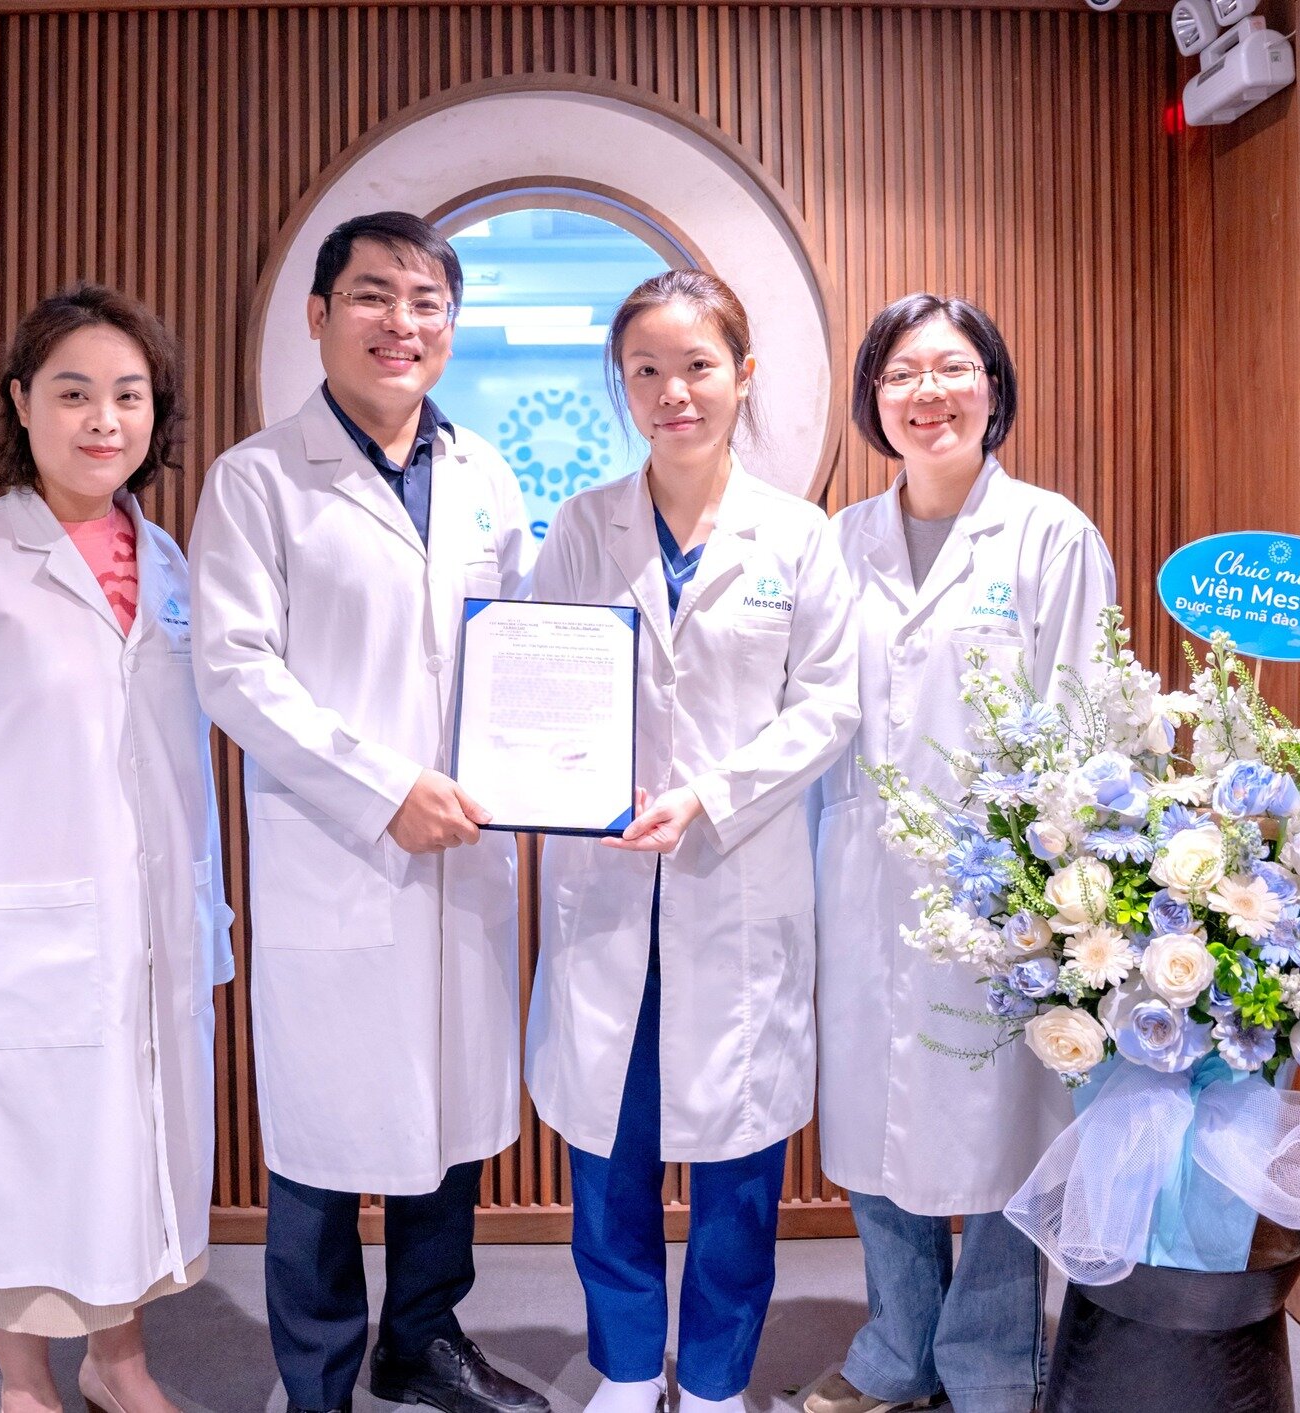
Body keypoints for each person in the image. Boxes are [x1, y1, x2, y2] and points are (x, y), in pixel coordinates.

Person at [188, 212, 547, 1413]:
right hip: (338, 850)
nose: (401, 322)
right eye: (372, 295)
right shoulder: (257, 480)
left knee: (448, 1119)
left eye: (426, 301)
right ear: (318, 314)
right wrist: (383, 787)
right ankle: (318, 1375)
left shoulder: (484, 473)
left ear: (451, 324)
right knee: (324, 1134)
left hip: (463, 852)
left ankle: (422, 1340)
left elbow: (521, 653)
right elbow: (234, 670)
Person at [0, 284, 230, 1413]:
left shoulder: (166, 562)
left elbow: (184, 766)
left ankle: (119, 1365)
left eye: (128, 395)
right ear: (22, 403)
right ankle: (23, 1382)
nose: (102, 420)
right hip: (17, 934)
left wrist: (208, 915)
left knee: (123, 1163)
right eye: (73, 394)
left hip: (149, 927)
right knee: (24, 1165)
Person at [525, 269, 859, 1413]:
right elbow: (538, 679)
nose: (673, 392)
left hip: (736, 872)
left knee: (738, 1162)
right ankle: (626, 1370)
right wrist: (567, 779)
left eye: (696, 366)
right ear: (622, 386)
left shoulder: (797, 536)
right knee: (607, 1146)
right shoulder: (584, 525)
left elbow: (827, 705)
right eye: (646, 371)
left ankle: (713, 1381)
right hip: (609, 873)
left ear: (742, 375)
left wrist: (711, 795)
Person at [805, 294, 1116, 1413]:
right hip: (858, 875)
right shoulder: (839, 540)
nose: (926, 393)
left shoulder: (1047, 534)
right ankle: (896, 1351)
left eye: (951, 368)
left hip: (1000, 887)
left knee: (1001, 1129)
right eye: (900, 373)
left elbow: (1084, 717)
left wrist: (1059, 886)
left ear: (993, 386)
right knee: (872, 1119)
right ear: (871, 400)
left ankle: (988, 1368)